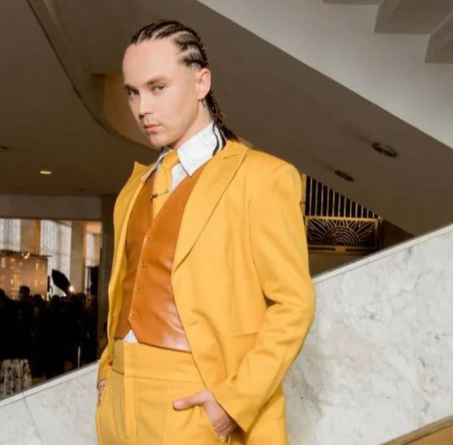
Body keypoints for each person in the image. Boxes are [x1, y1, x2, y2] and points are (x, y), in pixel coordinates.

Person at [95, 20, 315, 445]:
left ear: (201, 83)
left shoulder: (262, 178)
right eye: (133, 92)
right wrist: (108, 372)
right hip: (120, 401)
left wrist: (232, 403)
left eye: (158, 87)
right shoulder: (133, 189)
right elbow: (124, 295)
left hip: (196, 400)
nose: (142, 108)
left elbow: (294, 304)